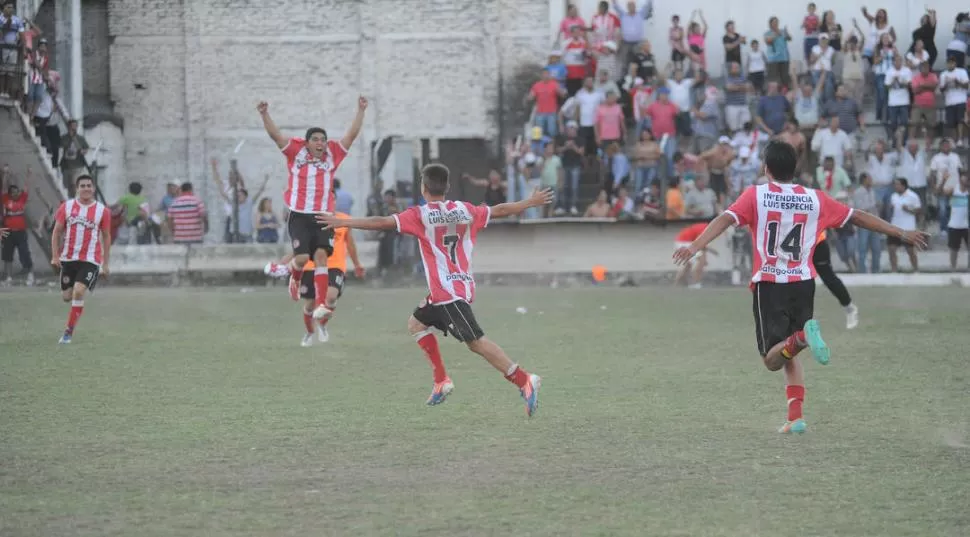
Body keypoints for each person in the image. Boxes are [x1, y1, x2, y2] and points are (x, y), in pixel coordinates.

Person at [673, 141, 928, 434]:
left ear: (766, 168)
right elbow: (856, 216)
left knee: (771, 359)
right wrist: (901, 232)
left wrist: (695, 246)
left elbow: (725, 219)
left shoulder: (756, 195)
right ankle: (796, 417)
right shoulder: (815, 198)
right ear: (795, 169)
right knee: (788, 352)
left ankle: (803, 338)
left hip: (770, 283)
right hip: (804, 283)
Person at [315, 164, 553, 416]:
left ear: (423, 187)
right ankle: (441, 380)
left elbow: (381, 222)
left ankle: (525, 380)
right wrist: (530, 202)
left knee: (476, 342)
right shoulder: (465, 210)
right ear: (447, 186)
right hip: (453, 288)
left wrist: (345, 222)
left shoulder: (421, 215)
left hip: (448, 294)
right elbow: (501, 210)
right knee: (416, 324)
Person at [257, 97, 366, 320]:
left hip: (324, 216)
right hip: (299, 214)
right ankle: (294, 277)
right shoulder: (295, 152)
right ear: (307, 143)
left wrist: (361, 110)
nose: (320, 143)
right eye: (315, 139)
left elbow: (351, 136)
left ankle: (322, 304)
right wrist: (264, 114)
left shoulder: (333, 154)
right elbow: (275, 136)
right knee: (301, 258)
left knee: (320, 257)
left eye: (323, 140)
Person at [50, 175, 112, 344]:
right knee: (66, 297)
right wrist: (55, 256)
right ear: (77, 189)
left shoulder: (102, 211)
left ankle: (68, 333)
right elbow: (56, 232)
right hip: (68, 259)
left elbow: (106, 236)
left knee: (78, 291)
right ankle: (81, 284)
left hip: (90, 259)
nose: (86, 188)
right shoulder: (67, 207)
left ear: (93, 189)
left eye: (89, 186)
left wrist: (105, 263)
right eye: (82, 186)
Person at [812, 230, 859, 329]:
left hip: (817, 244)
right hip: (795, 245)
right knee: (799, 282)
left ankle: (849, 308)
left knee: (829, 279)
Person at [673, 221, 717, 288]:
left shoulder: (705, 226)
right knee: (701, 262)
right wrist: (706, 257)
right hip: (685, 243)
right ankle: (695, 284)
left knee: (688, 265)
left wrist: (710, 251)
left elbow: (700, 244)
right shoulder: (706, 228)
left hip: (682, 242)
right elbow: (701, 244)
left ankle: (677, 285)